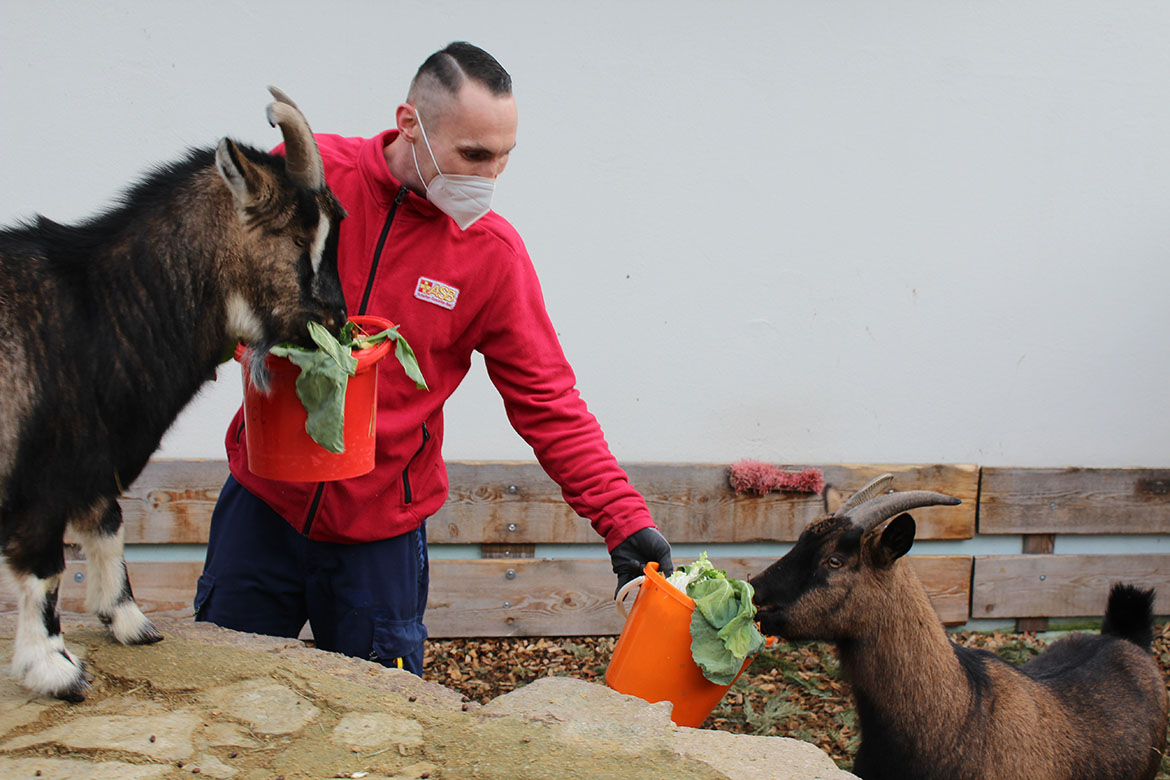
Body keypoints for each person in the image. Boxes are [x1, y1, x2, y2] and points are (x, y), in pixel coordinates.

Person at [195, 42, 673, 675]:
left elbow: (549, 402)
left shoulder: (491, 257)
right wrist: (250, 343)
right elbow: (209, 283)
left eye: (504, 157)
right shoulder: (309, 176)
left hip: (379, 533)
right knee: (221, 696)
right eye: (473, 155)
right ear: (410, 123)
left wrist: (623, 521)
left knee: (381, 730)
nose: (489, 176)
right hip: (263, 505)